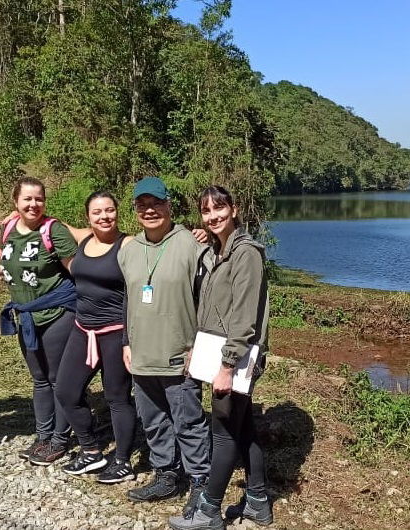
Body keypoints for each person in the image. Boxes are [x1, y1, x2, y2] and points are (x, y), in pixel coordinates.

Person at [168, 186, 272, 530]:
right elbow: (211, 310)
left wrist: (227, 365)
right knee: (243, 428)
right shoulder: (216, 251)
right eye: (206, 211)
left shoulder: (247, 254)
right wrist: (197, 348)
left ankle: (209, 512)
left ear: (235, 209)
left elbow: (244, 318)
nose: (213, 216)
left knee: (224, 429)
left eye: (219, 208)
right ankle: (258, 502)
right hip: (220, 351)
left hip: (236, 356)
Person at [118, 176, 210, 514]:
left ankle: (200, 481)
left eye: (156, 203)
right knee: (153, 420)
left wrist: (199, 345)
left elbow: (209, 301)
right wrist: (126, 342)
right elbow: (127, 298)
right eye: (142, 204)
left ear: (169, 205)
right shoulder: (129, 250)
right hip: (141, 355)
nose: (150, 209)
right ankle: (166, 474)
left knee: (188, 421)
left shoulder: (191, 244)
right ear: (136, 210)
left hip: (179, 355)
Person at [55, 191, 137, 483]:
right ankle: (91, 451)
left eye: (109, 210)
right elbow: (55, 226)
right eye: (97, 212)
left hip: (115, 333)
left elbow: (160, 245)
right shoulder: (85, 239)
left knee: (117, 398)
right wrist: (15, 220)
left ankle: (124, 461)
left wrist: (198, 236)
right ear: (88, 217)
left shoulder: (127, 244)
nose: (104, 216)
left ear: (117, 212)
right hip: (82, 329)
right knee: (65, 391)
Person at [0, 177, 79, 465]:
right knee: (39, 380)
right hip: (26, 315)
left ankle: (60, 438)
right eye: (27, 199)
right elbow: (5, 263)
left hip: (57, 313)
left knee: (58, 379)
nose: (33, 204)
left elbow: (77, 271)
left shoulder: (54, 231)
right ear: (16, 202)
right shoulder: (8, 229)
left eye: (39, 199)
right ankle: (43, 435)